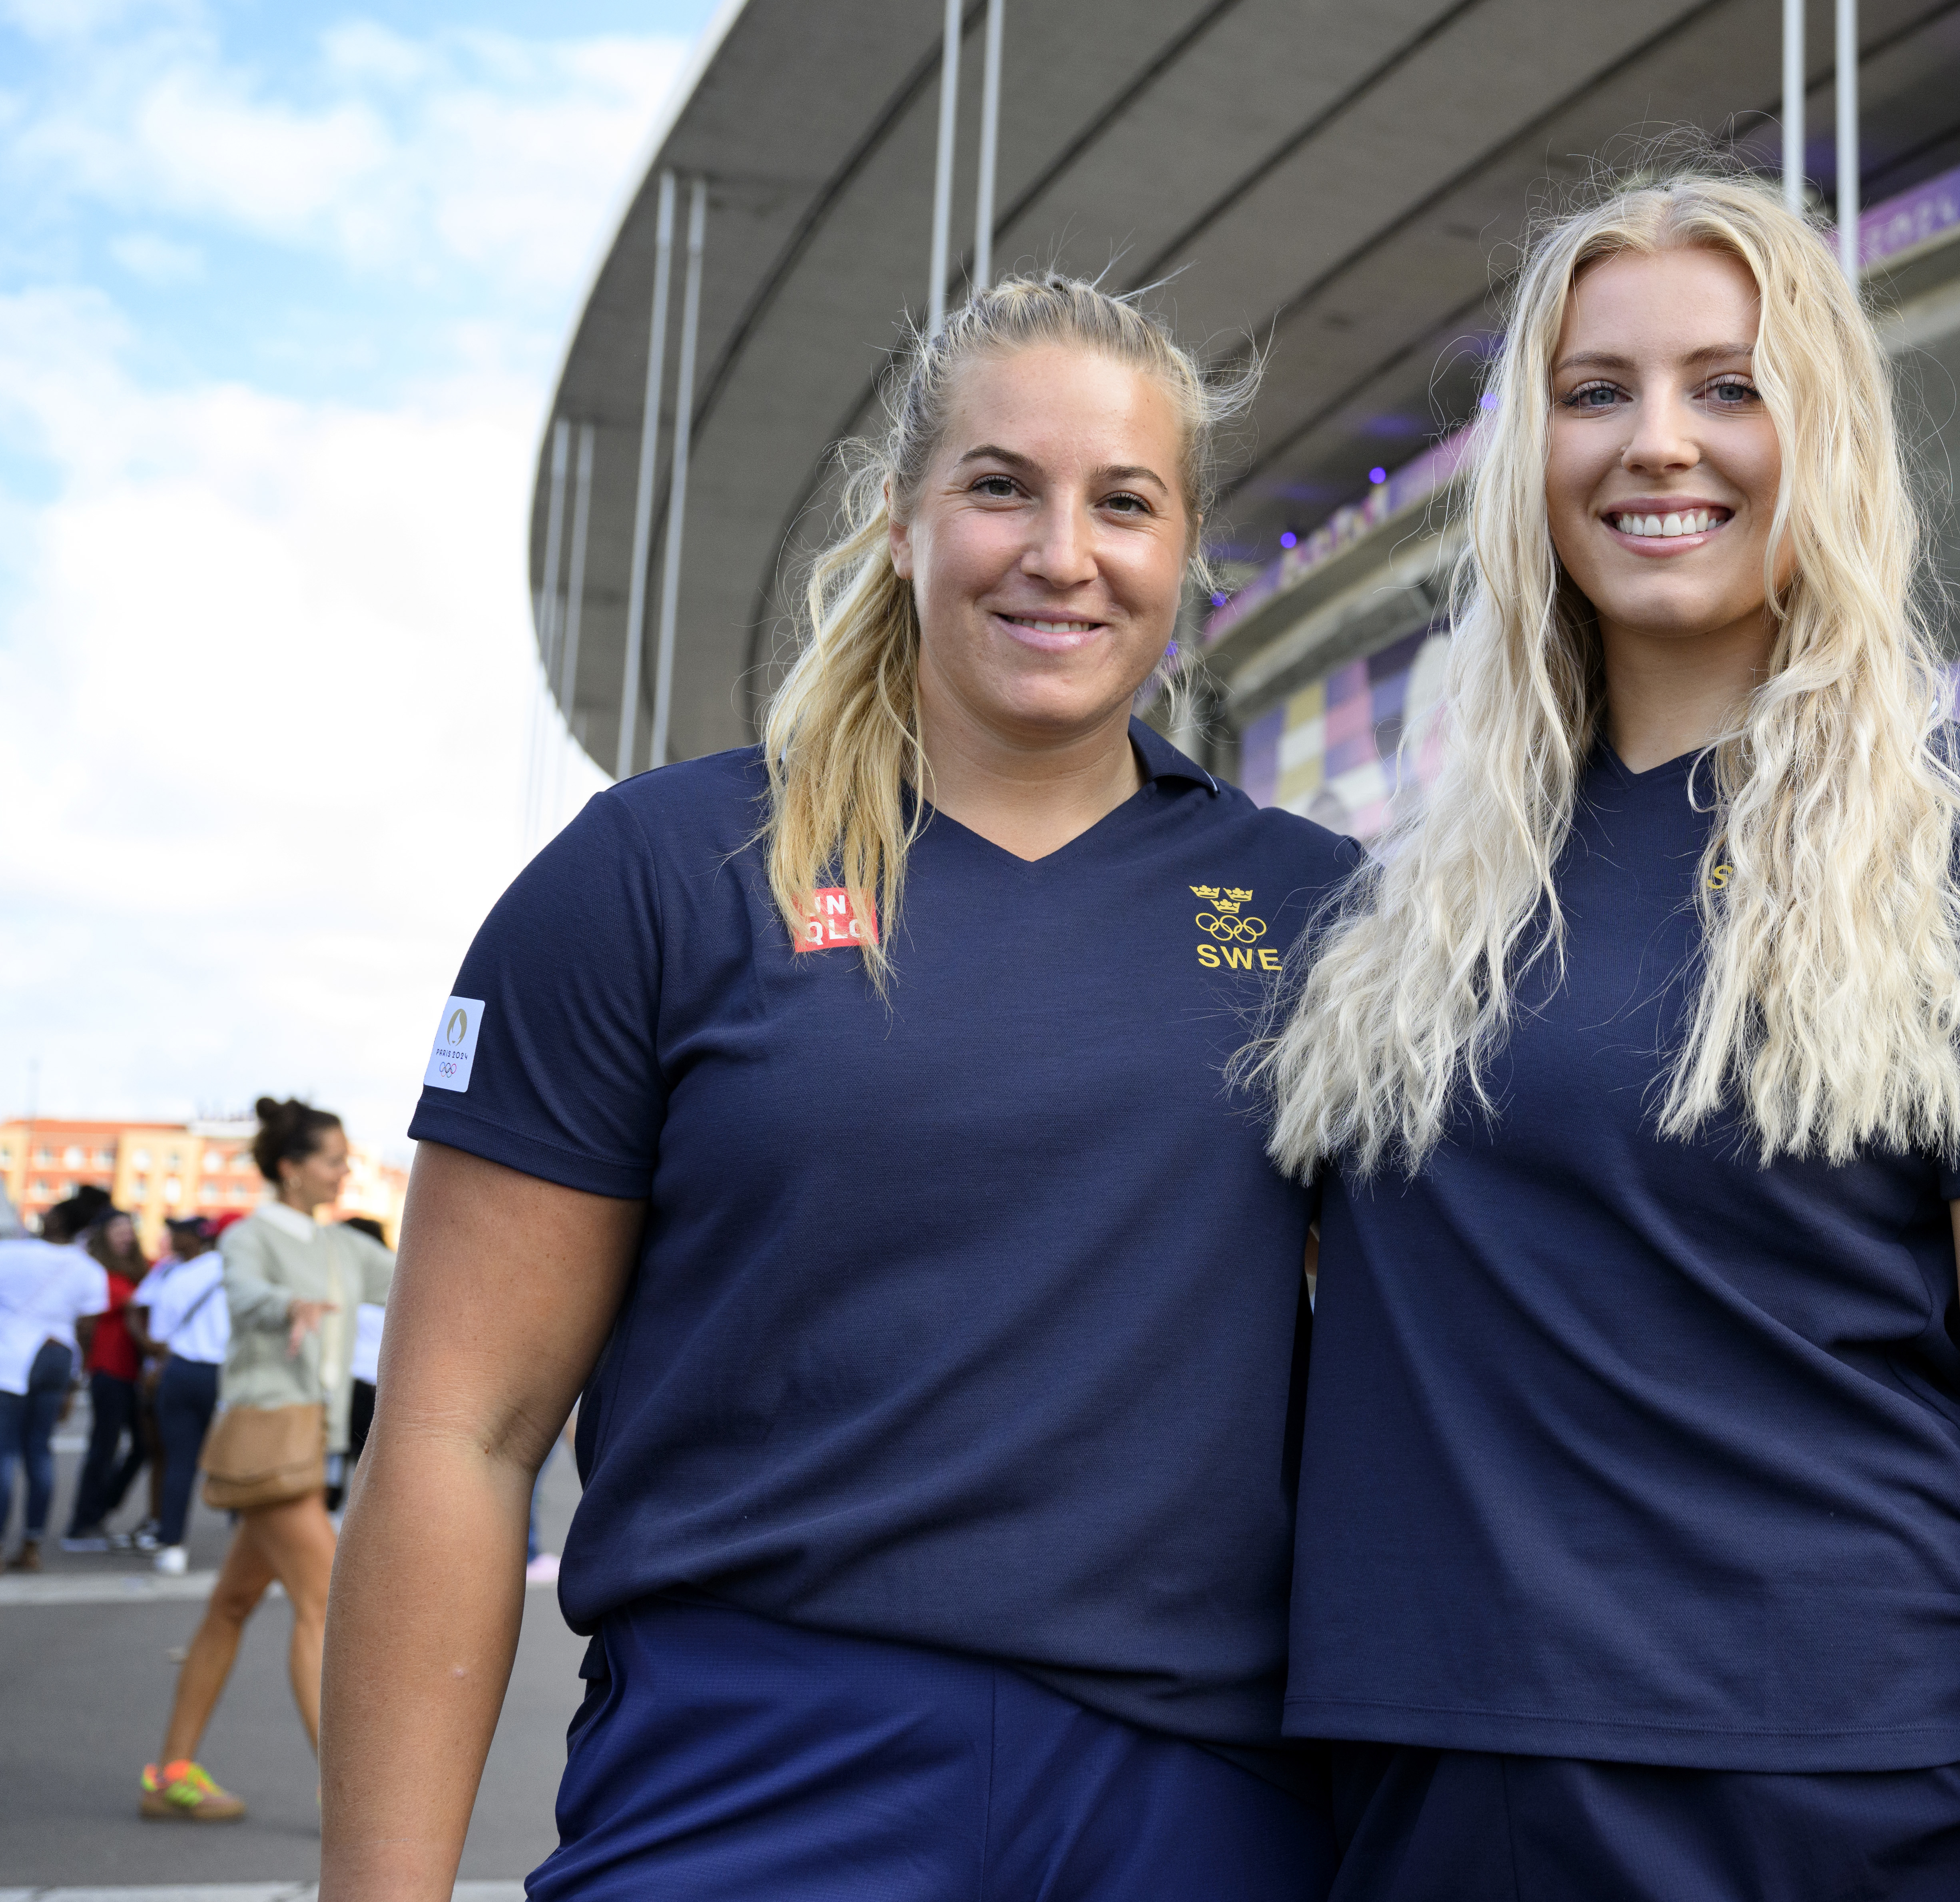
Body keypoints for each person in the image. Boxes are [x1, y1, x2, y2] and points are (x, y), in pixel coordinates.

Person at [324, 277, 1354, 1902]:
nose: (1061, 551)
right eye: (1000, 484)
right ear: (901, 520)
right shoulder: (665, 872)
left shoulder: (1322, 910)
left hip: (1205, 1799)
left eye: (1125, 502)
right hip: (755, 1782)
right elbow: (462, 1428)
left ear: (1185, 549)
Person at [1259, 161, 1960, 1901]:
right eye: (1595, 391)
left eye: (1728, 384)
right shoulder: (1410, 905)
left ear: (1821, 433)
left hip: (1819, 1814)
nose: (1656, 442)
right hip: (1419, 1801)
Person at [144, 1100, 389, 1821]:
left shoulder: (343, 1245)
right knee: (326, 1604)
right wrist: (290, 1304)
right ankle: (348, 1796)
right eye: (333, 1158)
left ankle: (170, 1772)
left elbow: (422, 1275)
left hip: (304, 1446)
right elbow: (245, 1295)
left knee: (233, 1603)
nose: (344, 1170)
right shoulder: (250, 1237)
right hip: (270, 1440)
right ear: (291, 1166)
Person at [0, 1189, 114, 1571]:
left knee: (5, 1453)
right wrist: (73, 1382)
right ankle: (32, 1543)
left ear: (57, 1220)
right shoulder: (89, 1269)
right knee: (39, 1451)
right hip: (58, 1357)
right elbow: (87, 1329)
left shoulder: (12, 1254)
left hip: (13, 1358)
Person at [134, 1215, 227, 1574]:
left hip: (181, 1371)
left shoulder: (171, 1275)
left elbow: (155, 1332)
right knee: (234, 1460)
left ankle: (172, 1544)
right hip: (221, 1374)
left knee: (179, 1462)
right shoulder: (229, 1268)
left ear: (194, 1238)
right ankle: (247, 1543)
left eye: (178, 1232)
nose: (172, 1238)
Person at [62, 1207, 156, 1549]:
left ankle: (100, 1508)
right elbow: (137, 1302)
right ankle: (82, 1524)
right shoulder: (99, 1272)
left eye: (129, 1229)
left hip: (131, 1372)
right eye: (118, 1229)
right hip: (109, 1370)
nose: (126, 1235)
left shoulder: (136, 1271)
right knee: (104, 1447)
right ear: (103, 1235)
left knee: (142, 1446)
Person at [327, 1215, 388, 1513]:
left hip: (355, 1382)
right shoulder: (395, 1278)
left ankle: (343, 1514)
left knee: (344, 1453)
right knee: (361, 1456)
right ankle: (347, 1513)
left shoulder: (349, 1282)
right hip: (373, 1383)